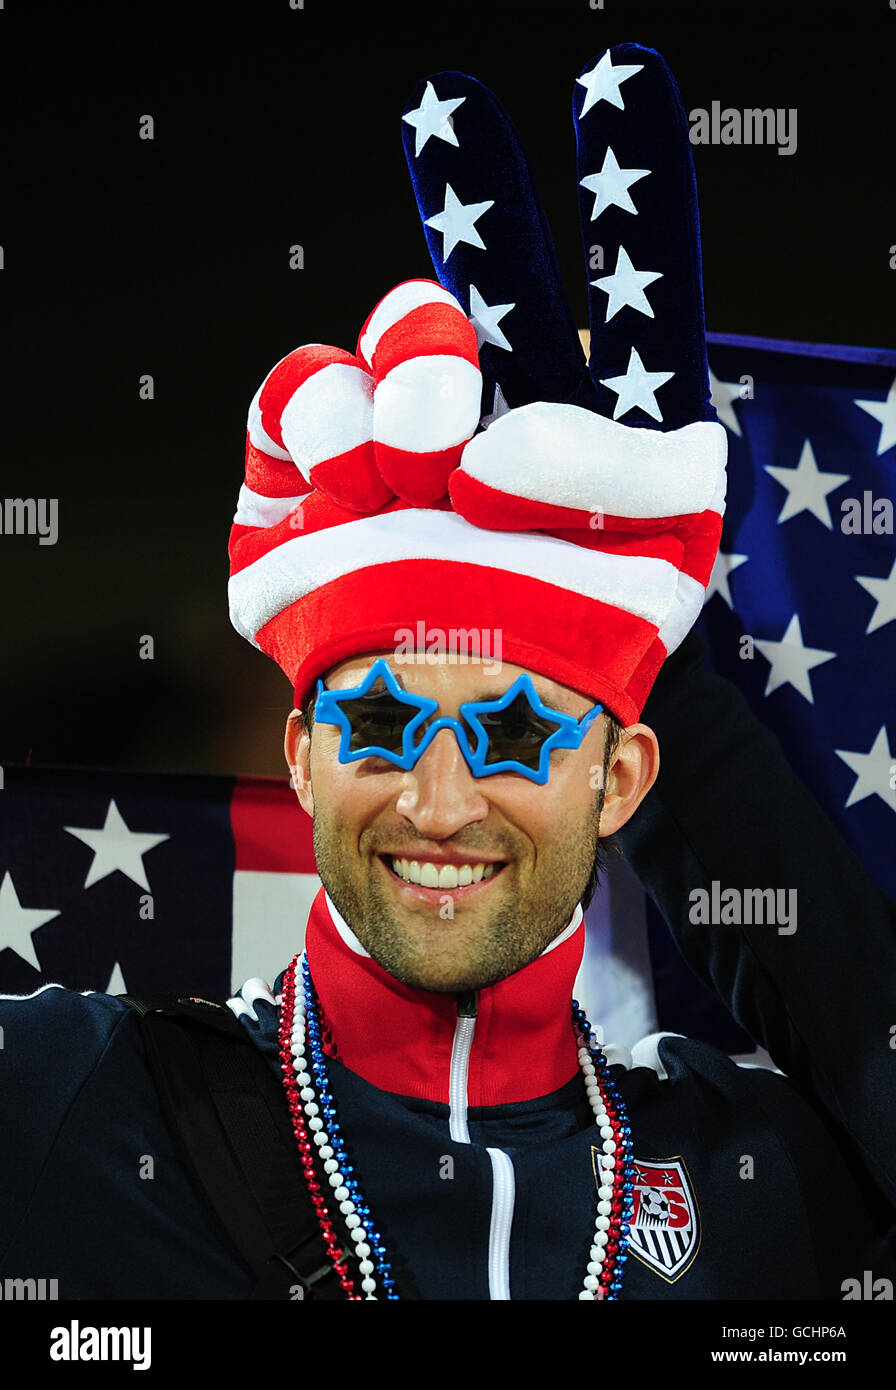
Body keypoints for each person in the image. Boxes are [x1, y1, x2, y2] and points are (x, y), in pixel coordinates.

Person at [1, 41, 894, 1304]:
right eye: (376, 724)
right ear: (300, 753)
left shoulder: (764, 1183)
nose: (435, 802)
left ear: (625, 777)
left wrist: (665, 657)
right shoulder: (70, 1107)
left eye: (517, 735)